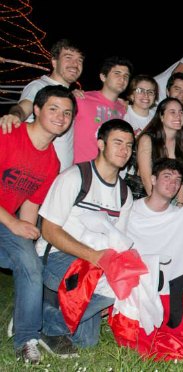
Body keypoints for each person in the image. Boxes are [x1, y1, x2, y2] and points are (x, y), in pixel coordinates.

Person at [37, 119, 135, 352]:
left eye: (129, 145)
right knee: (110, 285)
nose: (124, 150)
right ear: (101, 144)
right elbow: (49, 231)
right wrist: (93, 256)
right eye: (118, 142)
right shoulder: (75, 177)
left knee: (86, 342)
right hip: (56, 257)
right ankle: (49, 325)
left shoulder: (124, 193)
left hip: (92, 261)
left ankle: (46, 315)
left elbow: (117, 241)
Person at [0, 86, 76, 363]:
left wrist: (27, 238)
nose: (60, 116)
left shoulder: (51, 162)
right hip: (3, 218)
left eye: (67, 112)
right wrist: (13, 223)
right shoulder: (7, 134)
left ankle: (26, 339)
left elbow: (30, 205)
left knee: (30, 263)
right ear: (36, 110)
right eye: (53, 109)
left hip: (3, 221)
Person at [0, 39, 83, 171]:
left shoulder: (69, 96)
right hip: (36, 171)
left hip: (60, 176)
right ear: (54, 62)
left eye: (80, 60)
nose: (75, 64)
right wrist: (14, 116)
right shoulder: (39, 86)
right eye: (68, 58)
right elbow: (24, 107)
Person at [73, 56, 133, 164]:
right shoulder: (81, 99)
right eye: (117, 73)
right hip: (80, 169)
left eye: (126, 76)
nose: (122, 79)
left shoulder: (124, 109)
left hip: (107, 173)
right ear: (103, 77)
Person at [137, 98, 183, 206]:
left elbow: (181, 179)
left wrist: (180, 203)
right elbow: (146, 178)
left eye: (181, 112)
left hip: (171, 198)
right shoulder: (147, 140)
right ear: (161, 116)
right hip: (146, 196)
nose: (178, 116)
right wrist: (159, 206)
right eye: (172, 112)